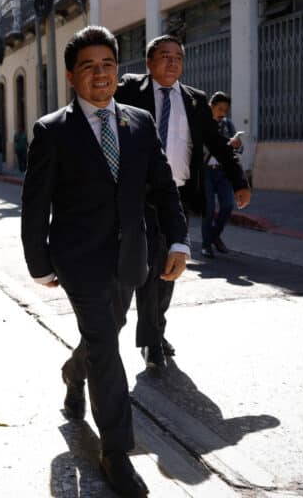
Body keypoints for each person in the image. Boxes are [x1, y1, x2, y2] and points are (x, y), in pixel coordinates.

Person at [21, 26, 188, 498]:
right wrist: (40, 264)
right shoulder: (51, 131)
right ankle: (116, 452)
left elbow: (163, 188)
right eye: (89, 67)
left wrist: (178, 241)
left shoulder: (139, 122)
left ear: (119, 70)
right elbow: (35, 205)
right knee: (106, 345)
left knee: (105, 337)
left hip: (132, 256)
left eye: (108, 65)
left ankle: (73, 374)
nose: (100, 74)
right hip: (79, 259)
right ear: (72, 77)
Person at [115, 34, 251, 371]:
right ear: (149, 62)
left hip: (175, 197)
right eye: (164, 56)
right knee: (146, 270)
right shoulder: (131, 90)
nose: (172, 62)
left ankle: (156, 330)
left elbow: (219, 145)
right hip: (138, 197)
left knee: (169, 267)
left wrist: (239, 181)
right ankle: (150, 340)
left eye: (178, 57)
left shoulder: (194, 100)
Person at [202, 92, 243, 258]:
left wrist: (237, 145)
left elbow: (240, 150)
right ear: (211, 106)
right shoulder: (202, 123)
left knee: (227, 205)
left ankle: (213, 236)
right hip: (205, 171)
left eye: (226, 110)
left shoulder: (228, 125)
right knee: (209, 209)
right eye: (219, 109)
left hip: (223, 172)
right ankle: (207, 245)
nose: (223, 113)